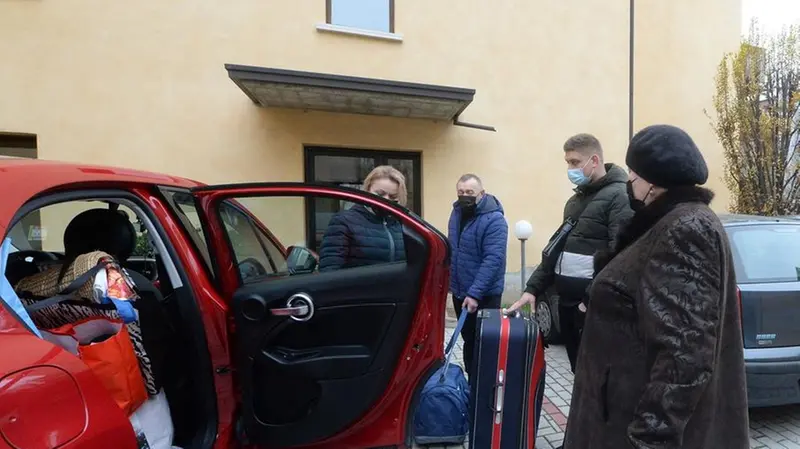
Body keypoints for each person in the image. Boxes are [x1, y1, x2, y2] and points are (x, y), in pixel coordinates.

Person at [561, 125, 749, 448]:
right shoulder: (668, 222)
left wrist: (648, 440)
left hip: (628, 426)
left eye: (633, 176)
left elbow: (685, 355)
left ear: (653, 181)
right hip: (615, 413)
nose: (629, 184)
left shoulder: (687, 228)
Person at [507, 133, 632, 373]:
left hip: (594, 311)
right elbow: (556, 250)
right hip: (567, 308)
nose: (570, 169)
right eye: (567, 163)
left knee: (598, 381)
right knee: (580, 376)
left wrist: (588, 302)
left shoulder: (620, 196)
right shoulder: (575, 201)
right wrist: (532, 289)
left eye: (575, 162)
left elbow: (622, 257)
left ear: (594, 160)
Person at [448, 173, 508, 378]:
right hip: (461, 293)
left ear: (481, 194)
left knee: (485, 345)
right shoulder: (456, 213)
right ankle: (472, 386)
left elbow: (493, 260)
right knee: (469, 341)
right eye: (461, 192)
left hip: (484, 295)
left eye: (470, 193)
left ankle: (486, 389)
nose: (465, 196)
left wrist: (474, 294)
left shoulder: (495, 220)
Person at [318, 165, 407, 271]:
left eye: (393, 197)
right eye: (380, 193)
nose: (386, 200)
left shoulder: (402, 225)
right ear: (367, 190)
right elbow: (330, 271)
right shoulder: (344, 221)